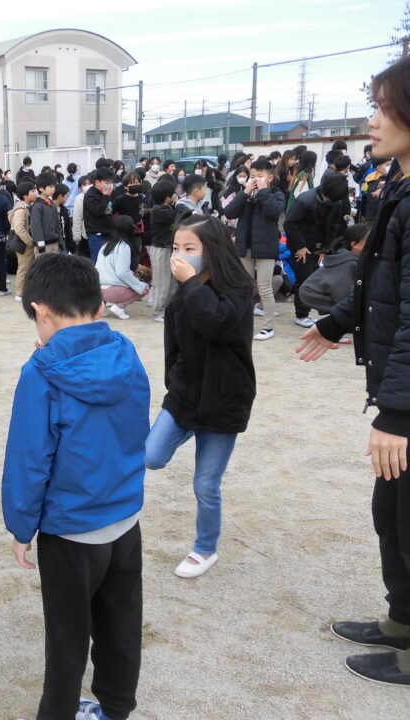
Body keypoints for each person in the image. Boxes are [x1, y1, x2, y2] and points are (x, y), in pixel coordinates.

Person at [296, 58, 410, 687]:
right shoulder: (397, 184)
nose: (371, 120)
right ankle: (401, 622)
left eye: (384, 107)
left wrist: (398, 414)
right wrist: (336, 322)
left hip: (406, 405)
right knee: (391, 514)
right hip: (398, 393)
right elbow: (379, 285)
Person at [2, 251, 148, 720]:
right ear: (100, 306)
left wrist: (21, 526)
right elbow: (135, 428)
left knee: (67, 635)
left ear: (40, 311)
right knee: (120, 622)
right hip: (124, 518)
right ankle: (116, 708)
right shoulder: (125, 352)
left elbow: (29, 459)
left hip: (71, 530)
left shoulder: (41, 373)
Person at [145, 215, 256, 578]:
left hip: (224, 400)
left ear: (213, 250)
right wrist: (173, 386)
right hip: (185, 396)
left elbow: (217, 324)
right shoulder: (183, 292)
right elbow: (173, 348)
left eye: (190, 248)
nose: (180, 255)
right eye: (176, 247)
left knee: (206, 484)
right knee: (150, 456)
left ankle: (205, 549)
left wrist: (192, 283)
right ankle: (189, 426)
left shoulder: (238, 288)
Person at [224, 158, 285, 341]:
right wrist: (244, 193)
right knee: (244, 287)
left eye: (260, 175)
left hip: (265, 248)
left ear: (270, 177)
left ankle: (268, 327)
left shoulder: (276, 194)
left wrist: (263, 192)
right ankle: (241, 323)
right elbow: (229, 212)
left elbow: (273, 211)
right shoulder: (245, 194)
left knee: (264, 288)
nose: (255, 179)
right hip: (244, 247)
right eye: (253, 175)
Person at [284, 172, 351, 327]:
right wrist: (300, 246)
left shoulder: (335, 202)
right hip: (301, 248)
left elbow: (333, 226)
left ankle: (306, 313)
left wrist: (326, 248)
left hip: (318, 247)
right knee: (304, 281)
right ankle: (301, 315)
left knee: (313, 279)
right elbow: (290, 224)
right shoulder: (306, 200)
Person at [298, 223, 369, 315]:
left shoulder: (348, 258)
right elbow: (342, 292)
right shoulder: (348, 263)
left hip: (317, 292)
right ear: (354, 244)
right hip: (313, 293)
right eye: (368, 241)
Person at [98, 215, 150, 320]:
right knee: (145, 288)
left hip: (98, 289)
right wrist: (140, 286)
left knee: (133, 280)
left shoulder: (105, 245)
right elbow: (122, 272)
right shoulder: (124, 247)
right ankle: (119, 307)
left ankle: (100, 307)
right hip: (112, 291)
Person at [148, 182, 178, 324]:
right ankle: (158, 311)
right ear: (167, 197)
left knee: (171, 283)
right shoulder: (158, 210)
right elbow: (175, 216)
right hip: (160, 249)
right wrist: (178, 204)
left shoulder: (167, 208)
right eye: (173, 193)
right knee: (162, 283)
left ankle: (167, 310)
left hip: (169, 248)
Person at [10, 181, 38, 302]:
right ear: (25, 195)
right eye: (32, 191)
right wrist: (30, 242)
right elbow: (19, 228)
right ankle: (19, 293)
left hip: (27, 243)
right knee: (23, 268)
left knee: (28, 268)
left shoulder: (29, 206)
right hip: (24, 244)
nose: (35, 193)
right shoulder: (20, 209)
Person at [82, 167, 116, 262]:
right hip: (97, 235)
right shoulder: (90, 195)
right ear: (97, 182)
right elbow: (98, 211)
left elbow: (109, 212)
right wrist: (106, 196)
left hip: (108, 233)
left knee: (108, 262)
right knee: (98, 262)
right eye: (107, 182)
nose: (110, 185)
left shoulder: (106, 193)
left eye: (111, 183)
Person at [30, 174, 62, 258]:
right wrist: (41, 246)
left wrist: (60, 241)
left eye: (54, 186)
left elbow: (58, 224)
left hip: (55, 243)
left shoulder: (53, 204)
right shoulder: (37, 206)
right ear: (41, 188)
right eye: (50, 186)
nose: (53, 189)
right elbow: (36, 228)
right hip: (44, 246)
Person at [71, 175, 93, 255]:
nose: (88, 186)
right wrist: (77, 237)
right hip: (84, 234)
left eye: (89, 184)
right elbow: (77, 218)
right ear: (80, 188)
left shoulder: (96, 196)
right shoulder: (80, 198)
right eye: (85, 184)